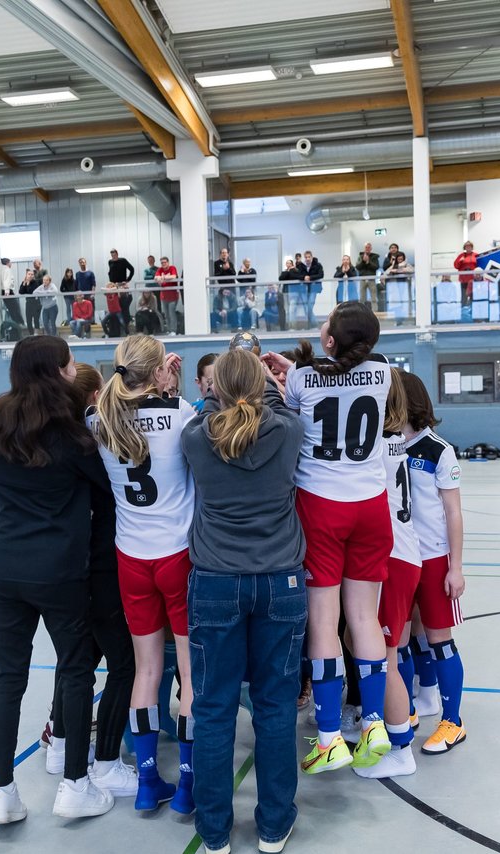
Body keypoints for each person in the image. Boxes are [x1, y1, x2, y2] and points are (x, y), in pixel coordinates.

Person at [0, 336, 115, 824]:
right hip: (59, 569)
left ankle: (2, 792)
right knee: (76, 670)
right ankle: (75, 783)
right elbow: (109, 489)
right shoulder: (72, 435)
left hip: (5, 567)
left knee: (7, 678)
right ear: (56, 370)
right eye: (70, 362)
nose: (75, 368)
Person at [259, 302, 393, 777]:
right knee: (365, 617)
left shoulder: (300, 380)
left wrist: (288, 376)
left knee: (323, 622)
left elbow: (301, 409)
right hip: (372, 506)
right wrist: (299, 368)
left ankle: (331, 736)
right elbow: (341, 376)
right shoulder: (382, 372)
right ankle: (374, 722)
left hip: (321, 508)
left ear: (331, 340)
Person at [181, 348, 305, 854]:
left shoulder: (194, 437)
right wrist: (272, 382)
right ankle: (273, 827)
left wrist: (217, 396)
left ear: (211, 387)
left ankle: (214, 833)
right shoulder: (289, 430)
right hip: (281, 581)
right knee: (275, 707)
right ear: (261, 385)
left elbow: (216, 415)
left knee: (213, 710)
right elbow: (281, 409)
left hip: (215, 581)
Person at [93, 335, 197, 815]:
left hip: (131, 559)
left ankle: (148, 781)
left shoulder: (99, 421)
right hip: (177, 555)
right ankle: (190, 783)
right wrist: (171, 393)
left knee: (146, 671)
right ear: (160, 373)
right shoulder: (182, 415)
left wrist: (156, 387)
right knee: (189, 674)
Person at [37, 363, 140, 800]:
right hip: (102, 564)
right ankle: (106, 762)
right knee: (124, 664)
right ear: (94, 398)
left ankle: (60, 744)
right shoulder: (92, 442)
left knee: (77, 658)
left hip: (67, 567)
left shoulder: (59, 441)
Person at [353, 369, 421, 781]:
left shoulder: (374, 444)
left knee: (388, 656)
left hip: (393, 559)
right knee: (360, 638)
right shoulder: (395, 439)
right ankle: (371, 720)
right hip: (401, 554)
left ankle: (400, 748)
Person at [399, 371, 467, 756]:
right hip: (400, 558)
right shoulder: (386, 446)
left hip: (434, 557)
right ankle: (406, 708)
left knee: (438, 640)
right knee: (403, 637)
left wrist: (455, 567)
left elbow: (453, 513)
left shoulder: (438, 450)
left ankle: (453, 721)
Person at [108, 249, 136, 330]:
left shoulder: (123, 260)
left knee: (124, 307)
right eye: (112, 255)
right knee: (116, 307)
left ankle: (126, 326)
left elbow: (132, 269)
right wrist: (111, 283)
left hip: (122, 285)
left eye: (114, 254)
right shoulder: (110, 262)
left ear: (117, 254)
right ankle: (117, 328)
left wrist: (128, 279)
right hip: (114, 286)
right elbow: (110, 272)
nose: (113, 256)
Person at [296, 250, 324, 330]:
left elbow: (321, 274)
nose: (307, 259)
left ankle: (313, 325)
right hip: (303, 289)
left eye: (309, 257)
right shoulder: (301, 266)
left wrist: (310, 277)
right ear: (304, 258)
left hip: (313, 288)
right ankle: (313, 324)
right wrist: (304, 277)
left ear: (311, 257)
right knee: (306, 307)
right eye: (306, 257)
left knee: (309, 306)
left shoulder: (318, 265)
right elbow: (297, 275)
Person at [156, 256, 181, 335]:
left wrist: (163, 277)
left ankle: (173, 330)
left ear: (168, 262)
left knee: (171, 313)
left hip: (173, 296)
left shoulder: (172, 268)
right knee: (166, 314)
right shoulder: (160, 269)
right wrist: (164, 278)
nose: (163, 264)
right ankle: (169, 330)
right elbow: (156, 277)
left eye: (165, 262)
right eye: (162, 263)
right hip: (164, 296)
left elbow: (173, 276)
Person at [355, 243, 380, 309]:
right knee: (362, 297)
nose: (367, 248)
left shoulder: (375, 257)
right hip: (362, 279)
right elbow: (357, 267)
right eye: (366, 247)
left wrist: (368, 262)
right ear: (364, 248)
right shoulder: (360, 257)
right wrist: (363, 261)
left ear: (371, 248)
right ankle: (361, 312)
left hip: (371, 279)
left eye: (369, 247)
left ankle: (375, 312)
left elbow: (376, 267)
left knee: (373, 297)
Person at [20, 269, 41, 335]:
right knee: (28, 320)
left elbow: (30, 292)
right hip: (28, 303)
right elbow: (21, 292)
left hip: (36, 303)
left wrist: (28, 284)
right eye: (29, 274)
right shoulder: (24, 282)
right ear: (26, 275)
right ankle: (31, 334)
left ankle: (36, 333)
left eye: (32, 274)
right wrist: (24, 283)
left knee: (36, 320)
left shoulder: (36, 282)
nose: (30, 276)